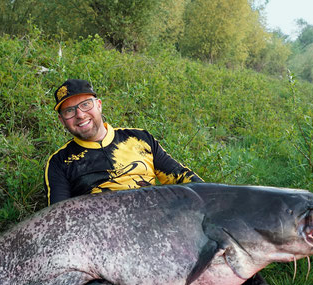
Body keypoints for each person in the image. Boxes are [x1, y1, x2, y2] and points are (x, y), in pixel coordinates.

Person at [44, 79, 203, 205]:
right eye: (69, 111)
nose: (80, 114)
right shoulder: (59, 162)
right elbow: (60, 217)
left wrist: (213, 200)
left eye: (86, 104)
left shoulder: (140, 138)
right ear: (62, 120)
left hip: (156, 222)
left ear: (99, 105)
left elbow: (183, 178)